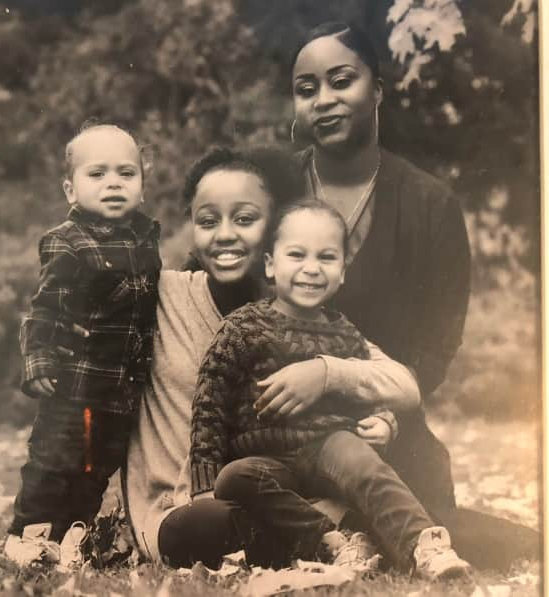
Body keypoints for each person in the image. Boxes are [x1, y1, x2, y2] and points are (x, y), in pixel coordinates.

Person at [280, 21, 540, 570]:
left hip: (387, 432)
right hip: (279, 431)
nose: (323, 100)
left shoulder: (429, 205)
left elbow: (434, 347)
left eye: (341, 81)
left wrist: (390, 417)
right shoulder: (274, 187)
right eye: (307, 89)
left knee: (417, 520)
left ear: (377, 88)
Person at [121, 146, 422, 569]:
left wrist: (326, 374)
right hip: (184, 508)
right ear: (192, 227)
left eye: (245, 219)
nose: (225, 234)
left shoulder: (297, 310)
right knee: (211, 521)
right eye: (207, 221)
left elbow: (403, 384)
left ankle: (340, 540)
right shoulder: (161, 295)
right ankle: (349, 536)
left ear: (273, 231)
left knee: (307, 497)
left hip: (281, 494)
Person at [190, 199, 472, 580]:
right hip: (267, 458)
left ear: (342, 272)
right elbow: (210, 403)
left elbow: (371, 392)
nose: (311, 268)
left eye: (326, 257)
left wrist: (385, 421)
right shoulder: (244, 327)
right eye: (297, 255)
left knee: (363, 463)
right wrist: (203, 484)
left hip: (329, 447)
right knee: (235, 477)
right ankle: (337, 541)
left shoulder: (344, 332)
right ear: (272, 264)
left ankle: (425, 544)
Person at [5, 123, 161, 569]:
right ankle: (28, 534)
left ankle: (76, 533)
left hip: (121, 391)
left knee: (98, 469)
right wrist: (39, 359)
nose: (113, 183)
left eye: (126, 174)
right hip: (75, 385)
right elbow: (44, 310)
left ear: (142, 188)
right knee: (54, 461)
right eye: (98, 174)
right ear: (71, 189)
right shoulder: (68, 244)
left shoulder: (146, 240)